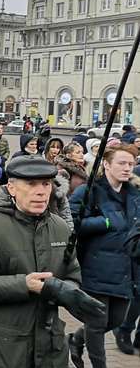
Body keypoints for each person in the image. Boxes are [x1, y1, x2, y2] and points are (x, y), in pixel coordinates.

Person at [0, 155, 105, 368]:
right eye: (31, 183)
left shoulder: (60, 227)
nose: (40, 191)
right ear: (11, 188)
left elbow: (72, 274)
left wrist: (64, 290)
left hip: (50, 350)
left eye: (46, 184)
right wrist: (25, 284)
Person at [68, 143, 140, 368]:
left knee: (116, 320)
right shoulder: (89, 190)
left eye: (131, 164)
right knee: (97, 322)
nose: (127, 168)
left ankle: (76, 339)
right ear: (107, 164)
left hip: (126, 268)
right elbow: (71, 223)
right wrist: (105, 222)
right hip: (96, 266)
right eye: (122, 163)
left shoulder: (134, 193)